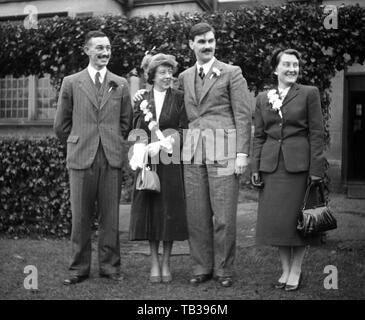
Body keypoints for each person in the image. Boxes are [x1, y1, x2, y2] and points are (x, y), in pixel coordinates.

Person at [54, 30, 133, 285]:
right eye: (99, 48)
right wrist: (80, 139)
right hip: (81, 157)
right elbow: (61, 125)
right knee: (80, 217)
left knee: (110, 217)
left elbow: (126, 122)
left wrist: (111, 140)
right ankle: (79, 268)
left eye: (108, 48)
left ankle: (110, 267)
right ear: (87, 50)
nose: (105, 53)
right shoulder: (71, 82)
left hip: (110, 158)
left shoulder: (120, 83)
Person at [178, 22, 252, 287]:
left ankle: (223, 270)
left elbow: (243, 115)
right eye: (201, 41)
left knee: (223, 216)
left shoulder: (232, 73)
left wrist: (242, 153)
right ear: (191, 45)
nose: (207, 45)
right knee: (196, 216)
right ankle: (201, 267)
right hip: (193, 153)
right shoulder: (185, 77)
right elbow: (179, 110)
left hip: (224, 152)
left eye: (210, 40)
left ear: (215, 42)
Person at [251, 48, 325, 291]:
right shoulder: (263, 98)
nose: (292, 69)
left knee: (298, 220)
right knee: (278, 222)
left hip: (300, 167)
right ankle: (284, 269)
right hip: (272, 167)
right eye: (287, 64)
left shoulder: (309, 93)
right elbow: (259, 136)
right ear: (276, 69)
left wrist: (317, 170)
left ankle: (296, 269)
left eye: (295, 65)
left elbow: (316, 133)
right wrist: (256, 167)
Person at [129, 53, 189, 283]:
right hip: (148, 162)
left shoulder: (179, 97)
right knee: (151, 212)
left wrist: (165, 143)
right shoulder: (142, 98)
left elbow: (184, 129)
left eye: (170, 72)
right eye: (162, 72)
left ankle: (167, 262)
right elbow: (135, 129)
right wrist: (144, 147)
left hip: (171, 162)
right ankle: (154, 262)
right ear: (152, 75)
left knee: (169, 212)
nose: (168, 76)